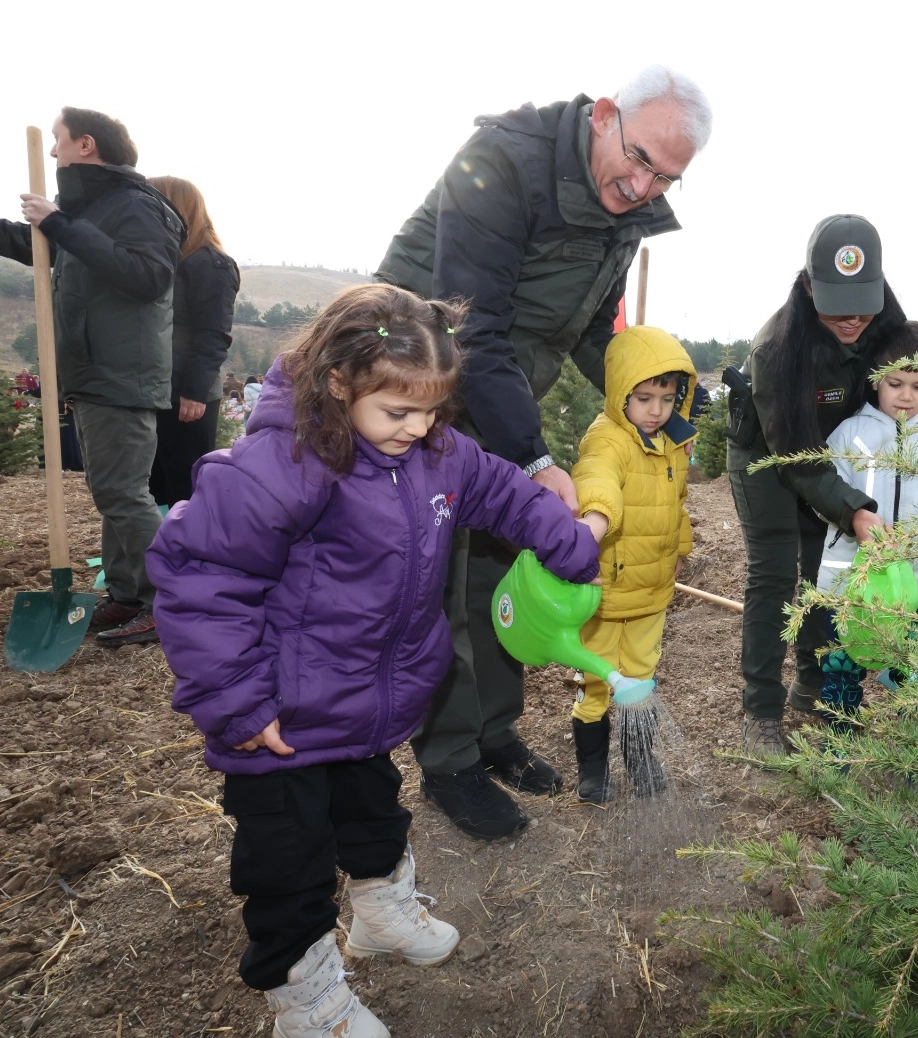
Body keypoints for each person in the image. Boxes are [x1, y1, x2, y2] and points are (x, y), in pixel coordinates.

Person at [146, 284, 600, 1038]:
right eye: (399, 412)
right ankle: (304, 999)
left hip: (364, 705)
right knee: (287, 865)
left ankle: (383, 915)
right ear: (338, 381)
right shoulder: (281, 465)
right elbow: (201, 580)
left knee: (373, 813)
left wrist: (571, 544)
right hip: (280, 719)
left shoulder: (435, 454)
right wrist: (238, 703)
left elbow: (507, 496)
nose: (419, 428)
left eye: (433, 411)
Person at [375, 66, 712, 837]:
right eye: (638, 159)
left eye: (667, 177)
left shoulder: (629, 208)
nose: (643, 185)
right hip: (419, 379)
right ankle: (451, 761)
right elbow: (469, 330)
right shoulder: (503, 163)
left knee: (501, 570)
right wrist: (533, 460)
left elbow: (596, 332)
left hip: (505, 384)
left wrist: (663, 412)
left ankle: (495, 732)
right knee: (442, 577)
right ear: (602, 116)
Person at [0, 107, 183, 646]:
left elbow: (148, 276)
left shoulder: (135, 205)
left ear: (85, 144)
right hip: (97, 370)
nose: (52, 153)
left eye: (58, 142)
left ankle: (165, 602)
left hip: (119, 372)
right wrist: (52, 228)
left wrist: (59, 222)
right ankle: (128, 593)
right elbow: (48, 249)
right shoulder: (96, 212)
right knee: (114, 493)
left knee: (124, 494)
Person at [726, 214, 907, 755]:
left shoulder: (885, 315)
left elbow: (909, 382)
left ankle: (813, 679)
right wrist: (855, 511)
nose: (853, 318)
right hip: (771, 459)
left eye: (862, 302)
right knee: (776, 576)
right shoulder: (777, 349)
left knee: (824, 571)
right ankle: (760, 710)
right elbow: (797, 458)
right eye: (836, 303)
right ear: (808, 286)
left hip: (832, 457)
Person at [813, 321, 918, 726]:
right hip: (851, 587)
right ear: (875, 378)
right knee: (841, 673)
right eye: (895, 383)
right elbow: (823, 498)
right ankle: (838, 753)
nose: (905, 396)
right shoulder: (849, 434)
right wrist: (853, 518)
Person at [570, 326, 697, 802]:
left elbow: (675, 504)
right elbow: (596, 480)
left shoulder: (673, 441)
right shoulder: (607, 441)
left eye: (666, 398)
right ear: (620, 391)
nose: (656, 410)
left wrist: (678, 550)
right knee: (597, 678)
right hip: (605, 590)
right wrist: (593, 524)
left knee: (640, 675)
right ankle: (592, 767)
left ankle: (639, 755)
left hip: (652, 590)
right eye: (643, 397)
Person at [145, 176, 240, 506]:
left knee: (186, 484)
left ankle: (187, 551)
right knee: (156, 482)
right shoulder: (171, 261)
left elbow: (213, 333)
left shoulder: (211, 264)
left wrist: (194, 392)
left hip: (187, 395)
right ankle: (159, 549)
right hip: (159, 389)